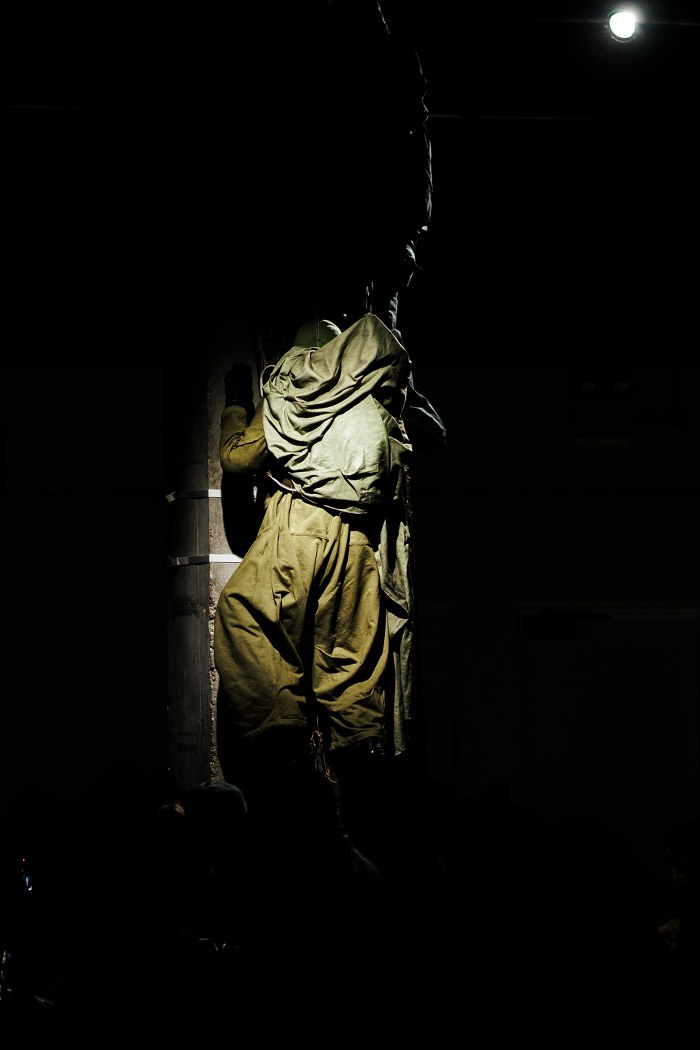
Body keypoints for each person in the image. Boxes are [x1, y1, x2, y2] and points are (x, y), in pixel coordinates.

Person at [214, 313, 444, 870]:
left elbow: (237, 458)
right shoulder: (380, 394)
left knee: (247, 616)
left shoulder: (300, 384)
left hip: (300, 526)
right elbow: (431, 435)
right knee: (352, 667)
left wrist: (236, 407)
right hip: (363, 549)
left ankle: (283, 755)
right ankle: (366, 787)